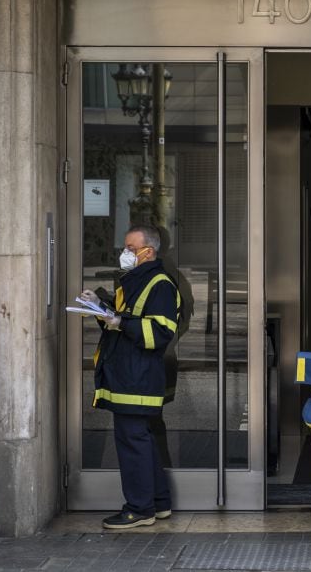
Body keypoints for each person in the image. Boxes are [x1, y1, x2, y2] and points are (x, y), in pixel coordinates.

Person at [80, 225, 180, 530]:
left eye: (130, 248)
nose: (125, 254)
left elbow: (159, 332)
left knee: (132, 442)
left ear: (148, 251)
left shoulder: (159, 284)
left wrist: (118, 321)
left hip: (137, 378)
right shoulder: (137, 280)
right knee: (142, 440)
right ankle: (159, 503)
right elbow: (127, 321)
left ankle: (139, 509)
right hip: (129, 374)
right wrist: (100, 308)